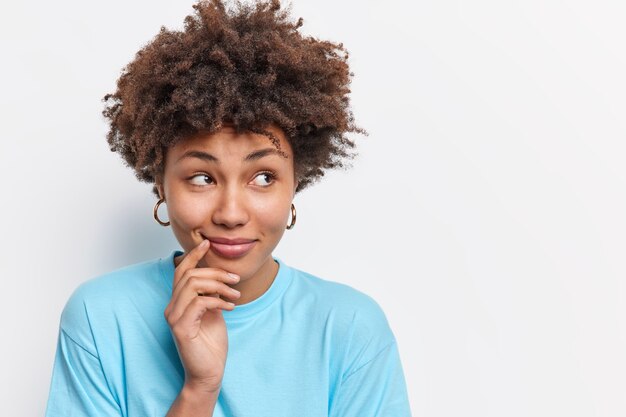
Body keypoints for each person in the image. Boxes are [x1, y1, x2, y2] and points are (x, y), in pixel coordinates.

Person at [44, 0, 412, 415]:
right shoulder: (101, 317)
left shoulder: (349, 328)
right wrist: (200, 390)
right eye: (202, 178)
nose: (232, 213)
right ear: (160, 184)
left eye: (264, 178)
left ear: (296, 184)